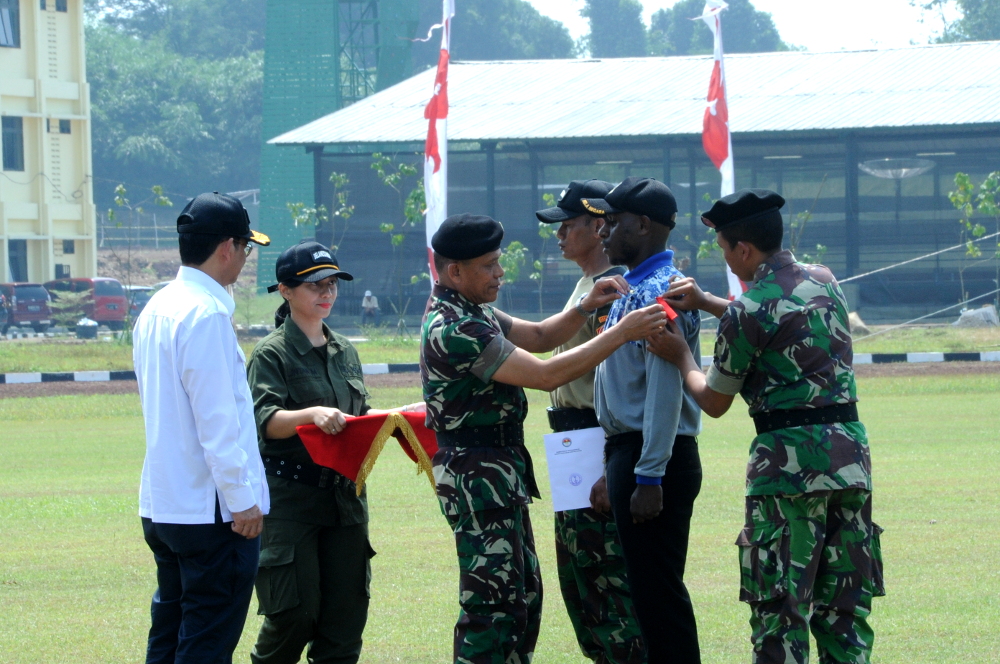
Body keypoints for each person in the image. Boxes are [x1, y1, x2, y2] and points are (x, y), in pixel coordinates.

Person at [648, 189, 884, 664]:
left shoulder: (746, 310)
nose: (727, 260)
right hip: (850, 462)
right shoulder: (825, 281)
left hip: (787, 472)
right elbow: (778, 315)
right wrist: (711, 302)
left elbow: (714, 400)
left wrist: (682, 357)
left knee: (780, 611)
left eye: (725, 250)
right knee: (845, 610)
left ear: (744, 250)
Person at [420, 213, 667, 664]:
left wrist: (585, 306)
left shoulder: (472, 310)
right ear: (455, 272)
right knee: (492, 609)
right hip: (478, 480)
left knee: (521, 596)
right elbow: (546, 372)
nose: (500, 273)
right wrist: (621, 332)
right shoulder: (457, 328)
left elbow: (537, 336)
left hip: (497, 475)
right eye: (489, 266)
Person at [247, 240, 421, 664]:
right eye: (314, 285)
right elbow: (264, 420)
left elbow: (355, 416)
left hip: (345, 499)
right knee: (294, 615)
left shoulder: (345, 350)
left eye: (332, 284)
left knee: (345, 623)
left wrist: (400, 416)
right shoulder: (271, 352)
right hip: (292, 500)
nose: (326, 293)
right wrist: (311, 413)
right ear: (285, 290)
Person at [133, 191, 271, 663]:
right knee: (207, 642)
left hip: (165, 503)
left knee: (169, 633)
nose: (245, 260)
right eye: (247, 249)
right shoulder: (206, 314)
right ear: (228, 247)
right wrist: (242, 499)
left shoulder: (157, 307)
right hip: (211, 511)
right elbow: (218, 424)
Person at [584, 177, 703, 664]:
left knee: (659, 598)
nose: (604, 233)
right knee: (649, 596)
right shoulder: (630, 288)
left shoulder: (663, 293)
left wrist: (648, 474)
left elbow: (664, 389)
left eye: (613, 222)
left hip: (654, 453)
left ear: (644, 224)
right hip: (631, 450)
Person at [536, 180, 645, 664]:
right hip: (572, 440)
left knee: (606, 579)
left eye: (567, 224)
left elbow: (619, 382)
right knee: (579, 576)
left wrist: (610, 462)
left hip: (596, 437)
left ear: (599, 226)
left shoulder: (613, 286)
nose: (558, 234)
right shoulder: (586, 284)